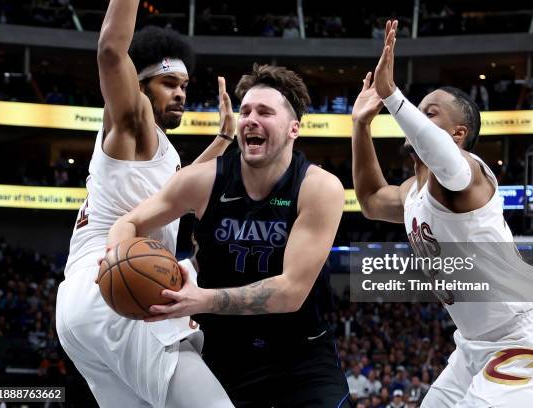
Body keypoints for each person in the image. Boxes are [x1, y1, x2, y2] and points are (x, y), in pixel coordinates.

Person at [351, 20, 533, 407]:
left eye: (430, 113)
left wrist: (392, 95)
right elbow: (370, 199)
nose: (417, 119)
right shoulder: (412, 192)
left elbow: (447, 163)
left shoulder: (468, 172)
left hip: (526, 338)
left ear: (457, 133)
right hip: (473, 347)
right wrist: (360, 125)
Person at [107, 63, 352, 407]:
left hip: (302, 357)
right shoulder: (202, 180)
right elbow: (128, 223)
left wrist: (201, 299)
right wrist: (117, 262)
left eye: (265, 112)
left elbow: (289, 293)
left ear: (294, 128)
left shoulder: (319, 187)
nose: (251, 119)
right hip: (221, 354)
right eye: (246, 111)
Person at [55, 1, 235, 407]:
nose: (181, 94)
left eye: (185, 86)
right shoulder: (134, 119)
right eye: (169, 83)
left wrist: (223, 140)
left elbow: (178, 191)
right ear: (140, 84)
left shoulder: (154, 150)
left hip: (79, 306)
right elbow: (110, 52)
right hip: (120, 290)